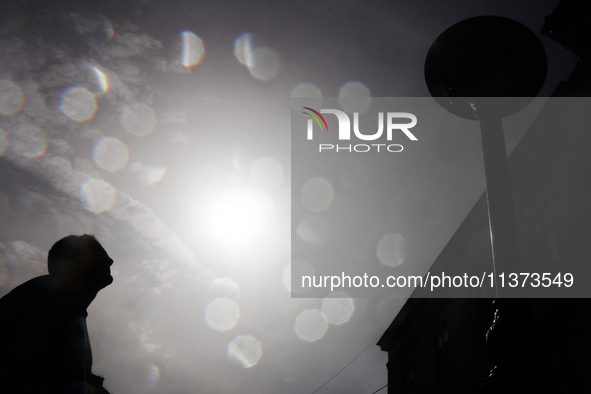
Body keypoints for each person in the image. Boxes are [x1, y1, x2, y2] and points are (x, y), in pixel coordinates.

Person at [0, 234, 114, 394]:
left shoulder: (66, 305)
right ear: (73, 264)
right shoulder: (43, 300)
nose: (110, 261)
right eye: (99, 255)